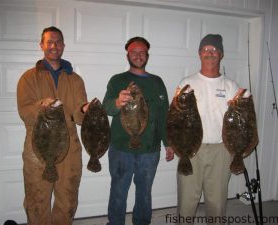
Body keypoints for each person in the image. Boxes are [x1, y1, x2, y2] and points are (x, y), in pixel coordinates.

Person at [17, 26, 88, 225]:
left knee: (67, 199)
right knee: (37, 200)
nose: (54, 46)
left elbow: (78, 116)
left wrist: (85, 110)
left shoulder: (75, 80)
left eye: (58, 41)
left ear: (63, 45)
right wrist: (41, 106)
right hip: (37, 148)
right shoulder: (28, 78)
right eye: (49, 41)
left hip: (70, 148)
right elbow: (25, 112)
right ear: (42, 45)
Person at [102, 36, 175, 225]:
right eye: (134, 52)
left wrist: (168, 143)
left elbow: (164, 116)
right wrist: (118, 102)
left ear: (147, 55)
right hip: (120, 149)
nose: (138, 55)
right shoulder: (117, 80)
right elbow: (106, 108)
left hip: (149, 151)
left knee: (144, 193)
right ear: (127, 54)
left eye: (142, 52)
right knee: (118, 191)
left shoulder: (157, 82)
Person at [176, 34, 240, 225]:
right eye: (206, 50)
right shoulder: (186, 83)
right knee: (187, 201)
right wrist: (174, 144)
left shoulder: (231, 86)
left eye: (214, 50)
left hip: (222, 149)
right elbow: (175, 119)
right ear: (199, 54)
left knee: (217, 203)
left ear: (221, 54)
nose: (210, 53)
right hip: (190, 149)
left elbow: (242, 120)